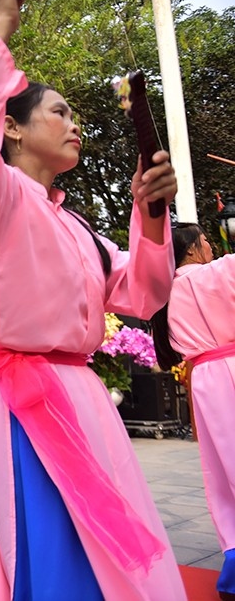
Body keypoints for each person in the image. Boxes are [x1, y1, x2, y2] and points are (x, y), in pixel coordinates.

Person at [0, 0, 185, 599]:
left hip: (83, 396)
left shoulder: (79, 228)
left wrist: (152, 212)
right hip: (18, 397)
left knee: (110, 561)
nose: (74, 124)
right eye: (58, 112)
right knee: (54, 558)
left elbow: (143, 293)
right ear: (12, 127)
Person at [150, 223, 235, 600]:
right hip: (231, 366)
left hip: (203, 380)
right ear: (192, 248)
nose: (210, 245)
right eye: (205, 240)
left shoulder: (164, 293)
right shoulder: (220, 271)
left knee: (221, 473)